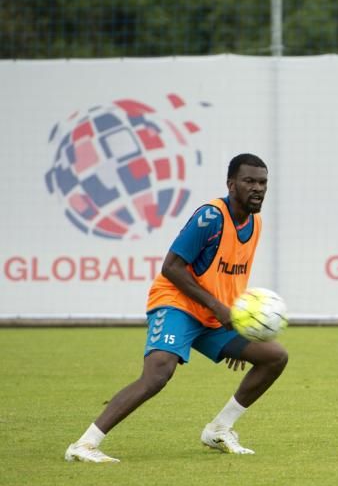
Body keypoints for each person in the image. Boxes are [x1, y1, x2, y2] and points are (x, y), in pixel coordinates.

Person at [65, 153, 288, 463]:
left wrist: (238, 324)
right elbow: (171, 267)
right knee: (158, 373)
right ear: (231, 184)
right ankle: (84, 444)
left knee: (274, 356)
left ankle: (219, 429)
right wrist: (217, 307)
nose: (258, 188)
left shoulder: (256, 222)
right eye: (249, 181)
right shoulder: (210, 218)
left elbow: (230, 274)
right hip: (177, 304)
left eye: (263, 182)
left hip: (213, 315)